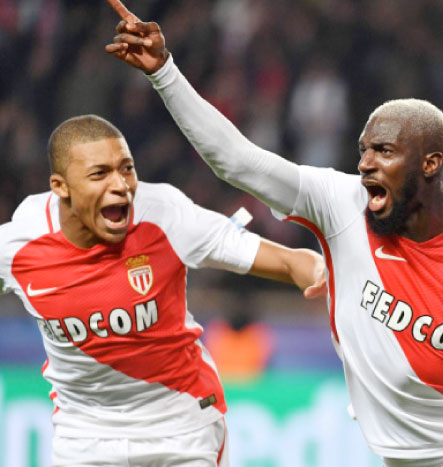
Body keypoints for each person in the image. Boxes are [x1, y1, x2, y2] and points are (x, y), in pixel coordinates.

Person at [105, 3, 443, 465]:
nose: (366, 165)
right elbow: (236, 161)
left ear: (431, 163)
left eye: (385, 152)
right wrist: (165, 73)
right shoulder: (339, 203)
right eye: (363, 150)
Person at [0, 113, 327, 466]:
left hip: (182, 429)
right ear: (60, 186)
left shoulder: (165, 215)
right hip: (83, 437)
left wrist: (322, 271)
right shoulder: (19, 245)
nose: (120, 185)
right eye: (100, 174)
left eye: (126, 168)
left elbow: (289, 261)